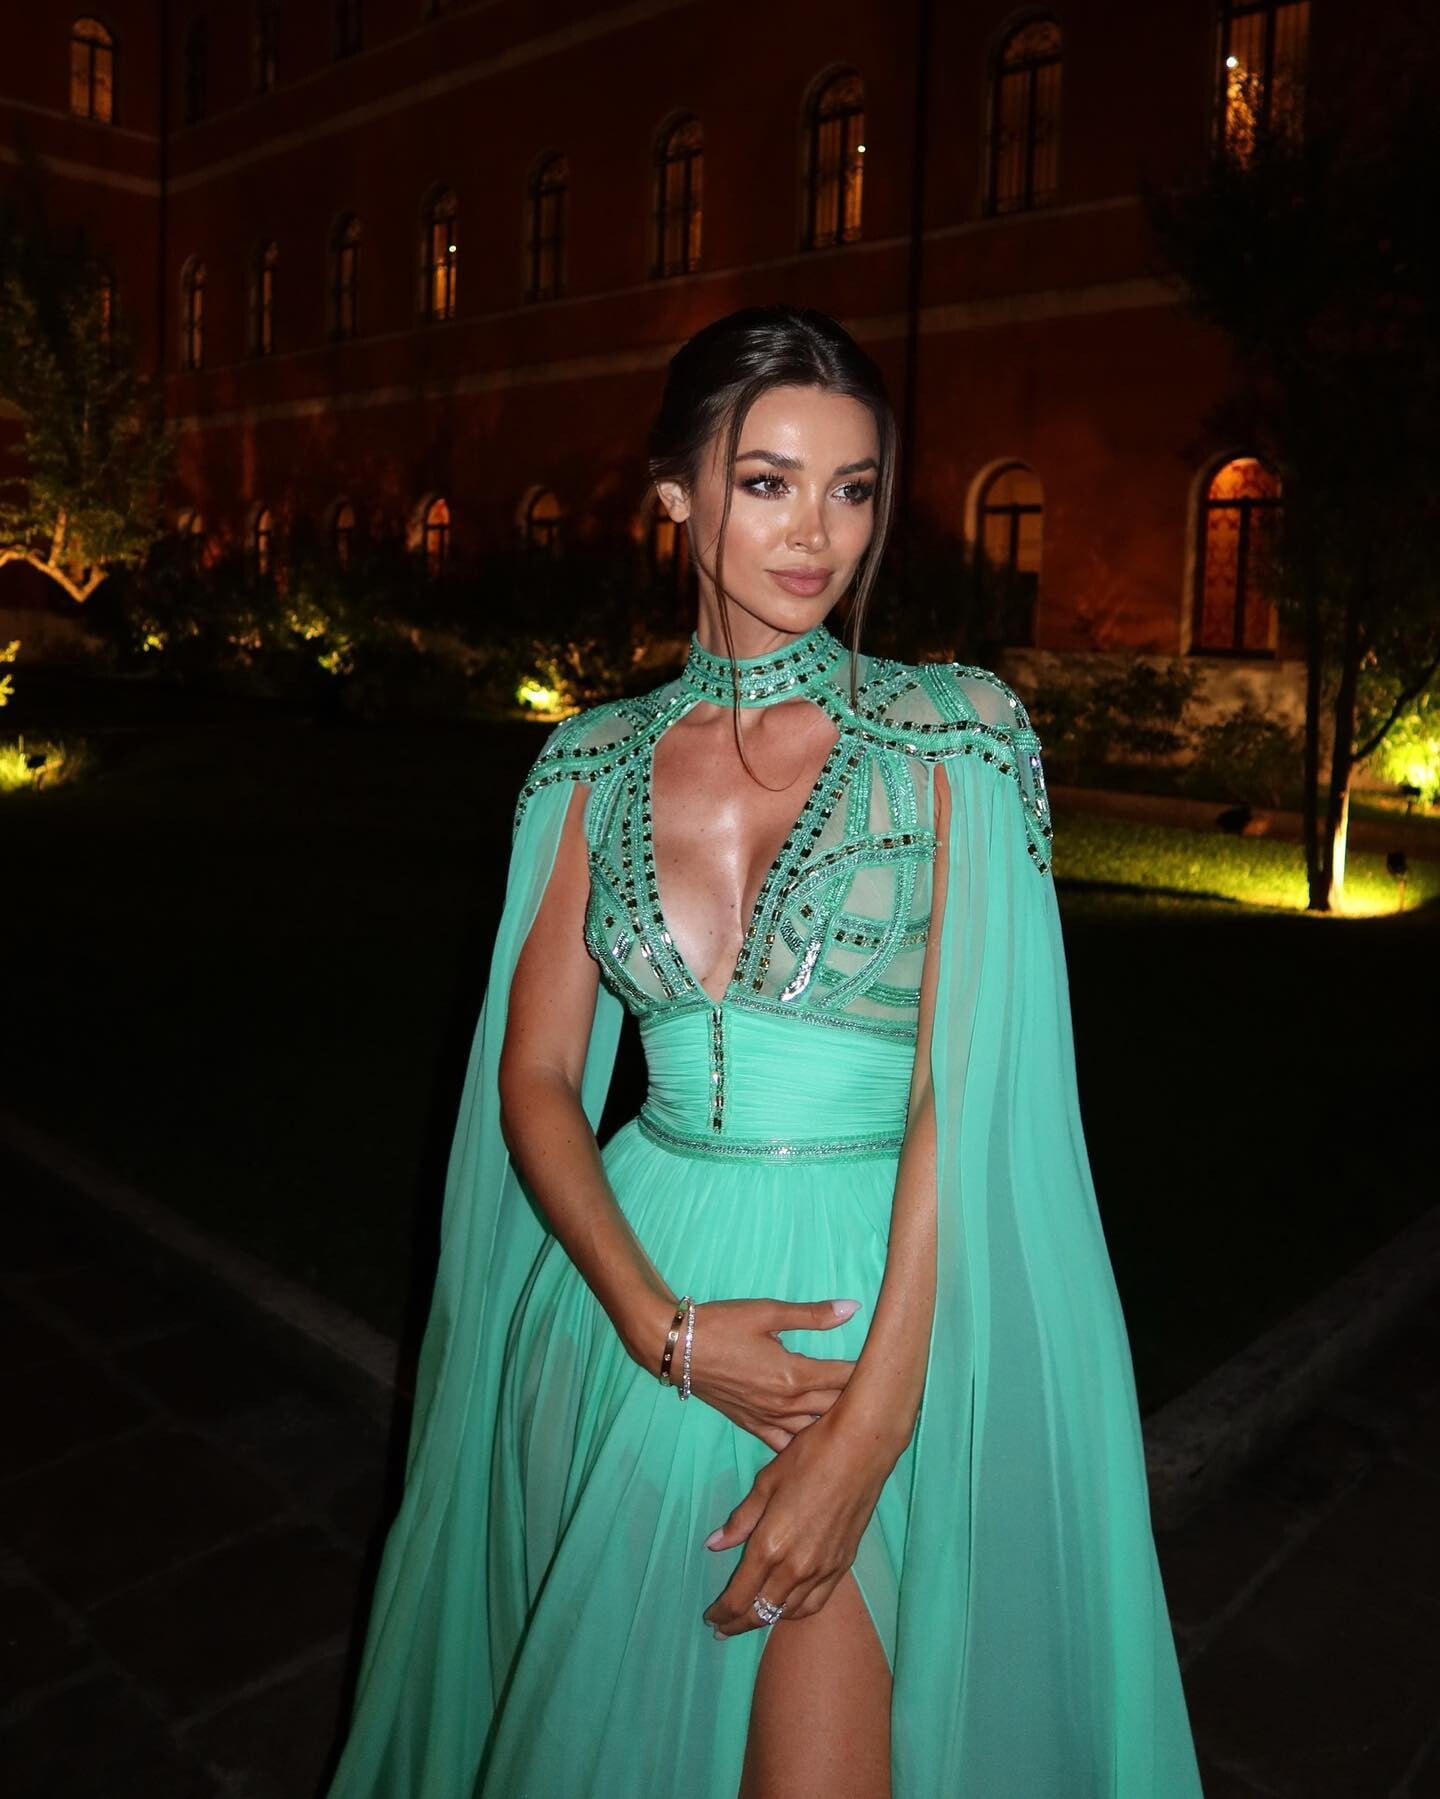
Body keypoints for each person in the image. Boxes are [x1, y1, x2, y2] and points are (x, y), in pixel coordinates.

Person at [324, 304, 1204, 1798]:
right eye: (767, 480)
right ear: (675, 493)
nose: (817, 532)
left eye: (852, 488)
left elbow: (965, 1096)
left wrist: (870, 1429)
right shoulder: (587, 763)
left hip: (876, 1309)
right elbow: (536, 1078)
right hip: (634, 1305)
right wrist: (658, 1327)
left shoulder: (955, 737)